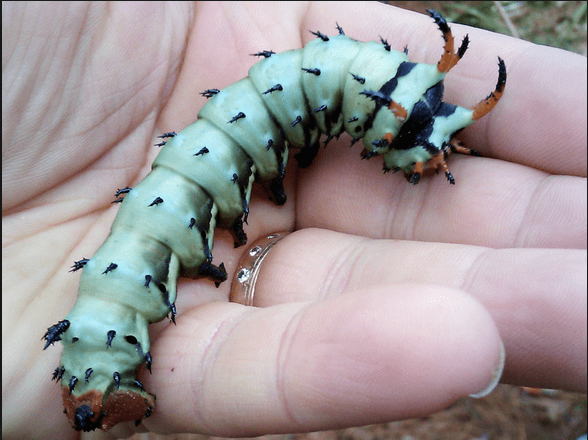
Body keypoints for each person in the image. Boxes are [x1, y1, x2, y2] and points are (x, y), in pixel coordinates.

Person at [3, 2, 586, 438]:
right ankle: (98, 373)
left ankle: (98, 369)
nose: (418, 156)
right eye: (411, 133)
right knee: (162, 221)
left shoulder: (293, 108)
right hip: (126, 283)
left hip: (155, 237)